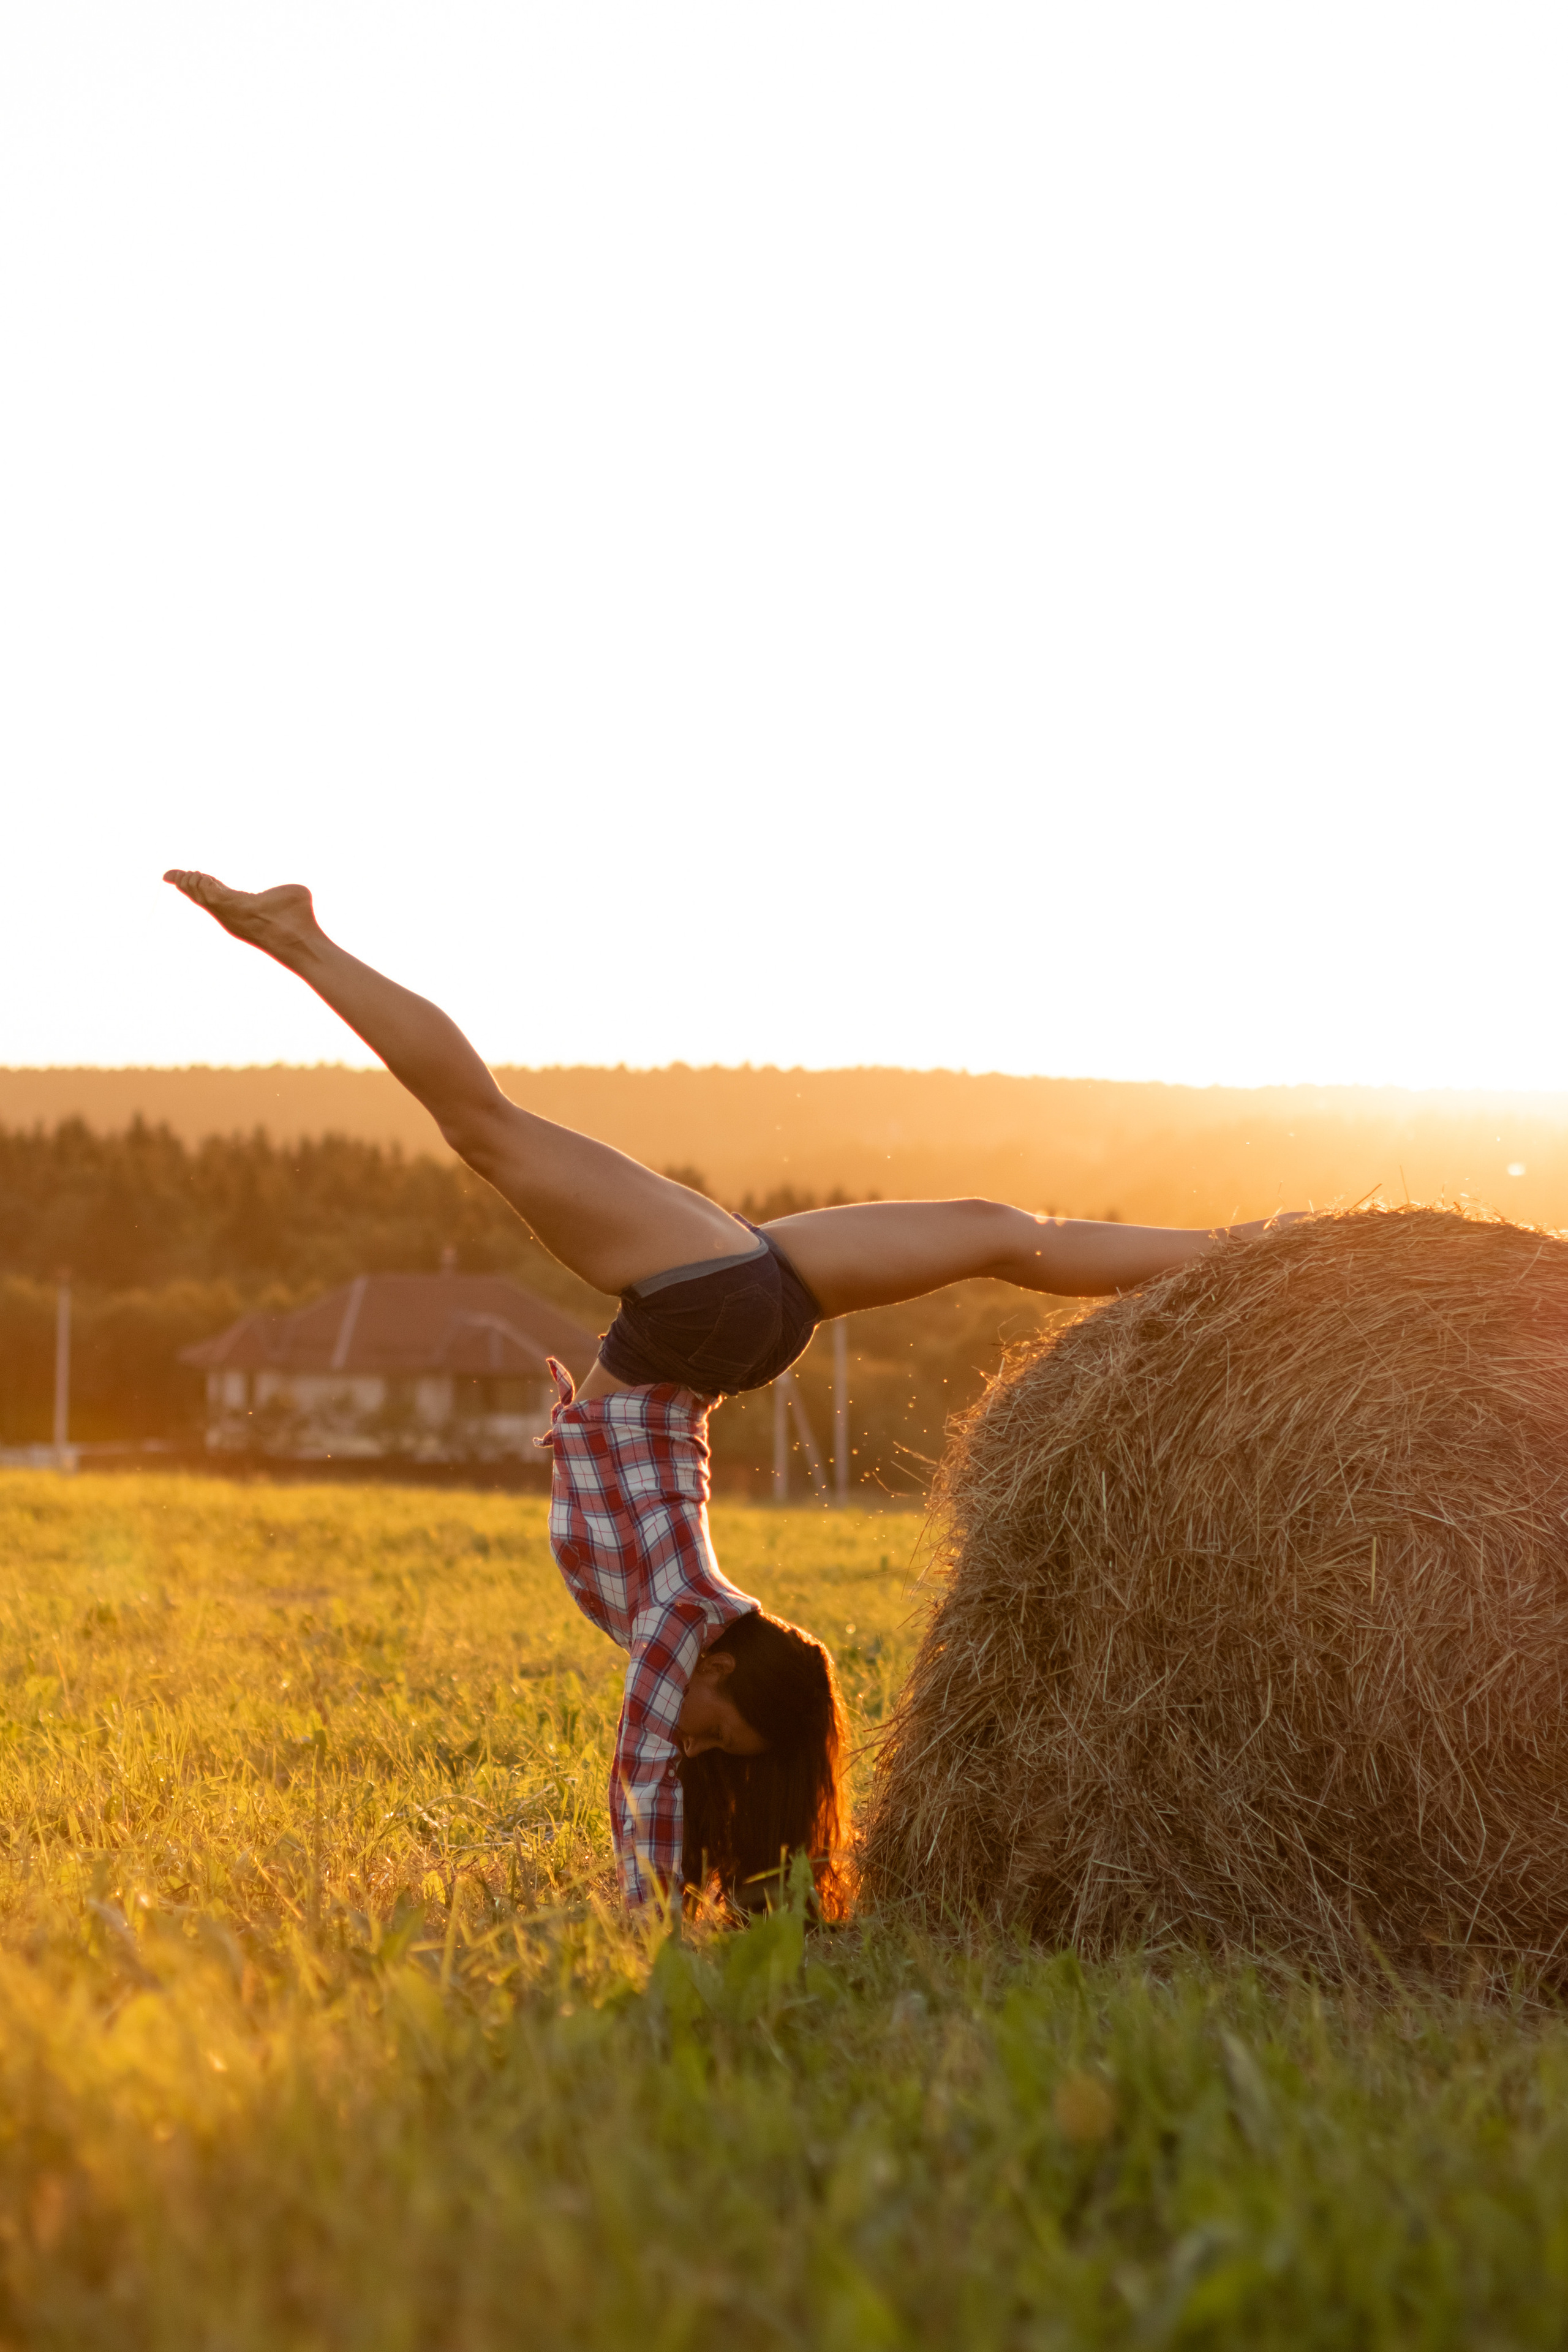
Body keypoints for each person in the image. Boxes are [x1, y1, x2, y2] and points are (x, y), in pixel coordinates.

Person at [165, 870, 1289, 1916]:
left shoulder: (691, 1612)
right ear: (718, 1669)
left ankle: (1256, 1251)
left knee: (1012, 1236)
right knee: (486, 1128)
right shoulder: (682, 1619)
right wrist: (643, 1908)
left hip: (742, 1329)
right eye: (722, 1731)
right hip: (699, 1318)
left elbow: (665, 1711)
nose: (690, 1737)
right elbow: (641, 1775)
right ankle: (299, 936)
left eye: (711, 1748)